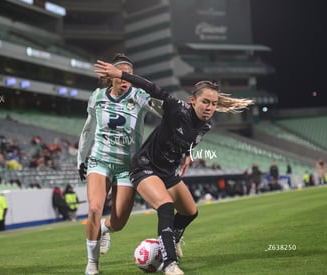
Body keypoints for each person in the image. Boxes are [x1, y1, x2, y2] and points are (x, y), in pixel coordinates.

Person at [95, 60, 253, 275]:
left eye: (214, 104)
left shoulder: (206, 125)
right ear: (192, 100)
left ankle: (173, 239)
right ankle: (169, 263)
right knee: (166, 206)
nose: (209, 108)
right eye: (205, 102)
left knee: (190, 212)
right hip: (145, 167)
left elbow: (189, 138)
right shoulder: (176, 108)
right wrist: (122, 75)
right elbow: (152, 88)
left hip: (168, 171)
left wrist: (188, 153)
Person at [77, 53, 162, 275]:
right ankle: (92, 264)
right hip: (100, 160)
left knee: (119, 222)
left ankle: (105, 229)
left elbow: (165, 112)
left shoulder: (140, 96)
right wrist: (80, 159)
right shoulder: (97, 97)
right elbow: (88, 129)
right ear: (110, 77)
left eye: (129, 76)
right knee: (94, 208)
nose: (125, 79)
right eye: (121, 75)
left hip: (128, 167)